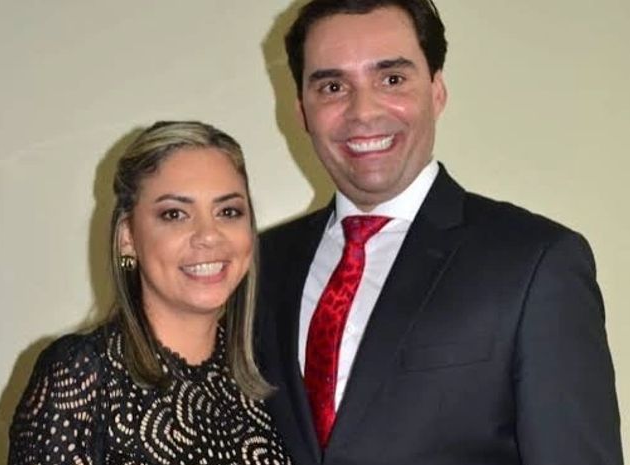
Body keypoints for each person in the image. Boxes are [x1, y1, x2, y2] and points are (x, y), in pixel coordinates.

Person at [257, 1, 623, 464]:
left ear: (437, 92)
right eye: (333, 87)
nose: (362, 112)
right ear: (302, 112)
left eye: (392, 79)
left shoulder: (535, 263)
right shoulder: (259, 264)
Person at [8, 121, 293, 465]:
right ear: (127, 237)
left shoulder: (270, 376)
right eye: (175, 214)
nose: (208, 235)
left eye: (228, 212)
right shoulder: (81, 374)